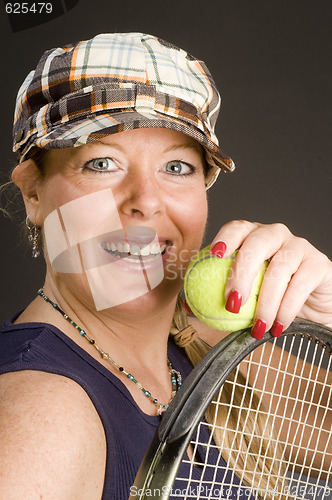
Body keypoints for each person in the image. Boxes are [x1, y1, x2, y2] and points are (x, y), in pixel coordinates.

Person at [0, 32, 331, 500]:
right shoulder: (41, 414)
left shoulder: (199, 346)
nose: (147, 202)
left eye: (176, 168)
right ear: (33, 192)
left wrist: (330, 316)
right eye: (101, 163)